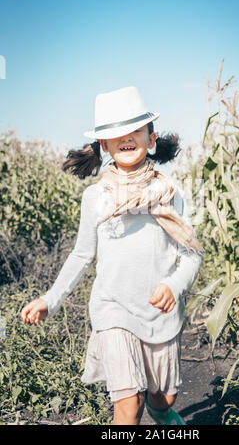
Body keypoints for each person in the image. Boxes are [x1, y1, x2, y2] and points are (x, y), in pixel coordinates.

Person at [21, 86, 204, 425]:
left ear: (151, 139)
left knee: (163, 398)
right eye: (115, 134)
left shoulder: (170, 192)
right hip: (113, 309)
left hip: (158, 312)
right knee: (127, 405)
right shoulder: (96, 197)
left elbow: (192, 254)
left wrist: (174, 285)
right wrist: (51, 299)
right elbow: (81, 255)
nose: (126, 138)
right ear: (104, 146)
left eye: (135, 130)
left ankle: (160, 411)